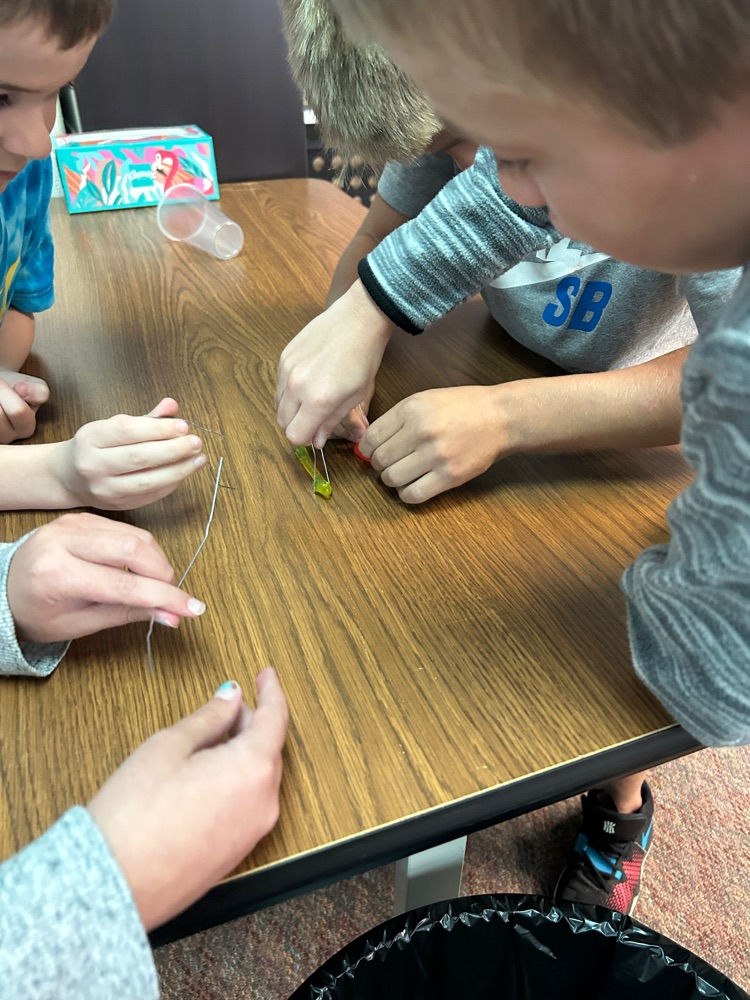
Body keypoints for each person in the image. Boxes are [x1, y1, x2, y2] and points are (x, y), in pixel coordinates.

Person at [276, 0, 742, 915]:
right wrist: (352, 329)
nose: (504, 186)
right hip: (508, 388)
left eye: (513, 152)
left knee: (604, 705)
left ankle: (617, 805)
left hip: (635, 445)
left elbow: (714, 386)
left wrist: (511, 418)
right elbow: (393, 240)